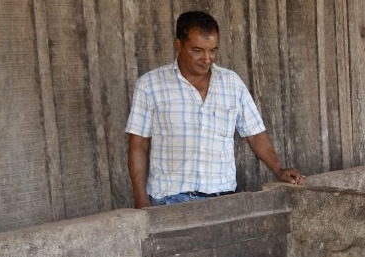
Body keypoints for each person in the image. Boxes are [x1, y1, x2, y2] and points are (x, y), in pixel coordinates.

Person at [126, 11, 303, 208]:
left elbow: (255, 134)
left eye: (213, 50)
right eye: (197, 50)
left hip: (223, 199)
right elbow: (138, 145)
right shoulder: (150, 85)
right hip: (170, 202)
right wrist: (140, 198)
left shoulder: (231, 83)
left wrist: (278, 170)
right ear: (178, 45)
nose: (207, 58)